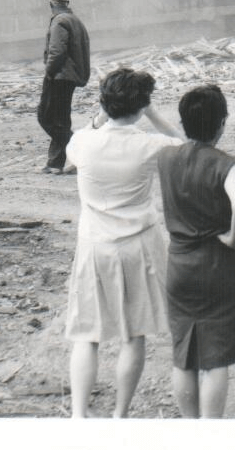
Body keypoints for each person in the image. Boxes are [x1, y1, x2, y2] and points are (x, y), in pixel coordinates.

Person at [63, 67, 184, 418]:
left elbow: (84, 134)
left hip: (94, 244)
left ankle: (78, 416)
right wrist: (153, 113)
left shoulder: (83, 143)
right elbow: (183, 144)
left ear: (105, 103)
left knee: (87, 334)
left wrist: (104, 112)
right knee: (134, 335)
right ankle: (119, 415)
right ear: (141, 105)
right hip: (139, 245)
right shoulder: (150, 145)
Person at [157, 85, 235, 419]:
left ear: (183, 123)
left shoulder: (166, 157)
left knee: (183, 351)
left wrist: (151, 109)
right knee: (215, 358)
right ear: (222, 123)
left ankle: (190, 428)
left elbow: (172, 137)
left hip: (179, 264)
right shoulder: (227, 165)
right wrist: (234, 238)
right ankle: (211, 434)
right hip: (217, 266)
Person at [38, 0, 91, 174]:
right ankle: (55, 164)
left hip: (59, 76)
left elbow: (57, 51)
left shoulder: (59, 21)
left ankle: (82, 153)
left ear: (52, 3)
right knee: (61, 120)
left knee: (46, 117)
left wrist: (49, 72)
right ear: (66, 2)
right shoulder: (75, 20)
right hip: (70, 77)